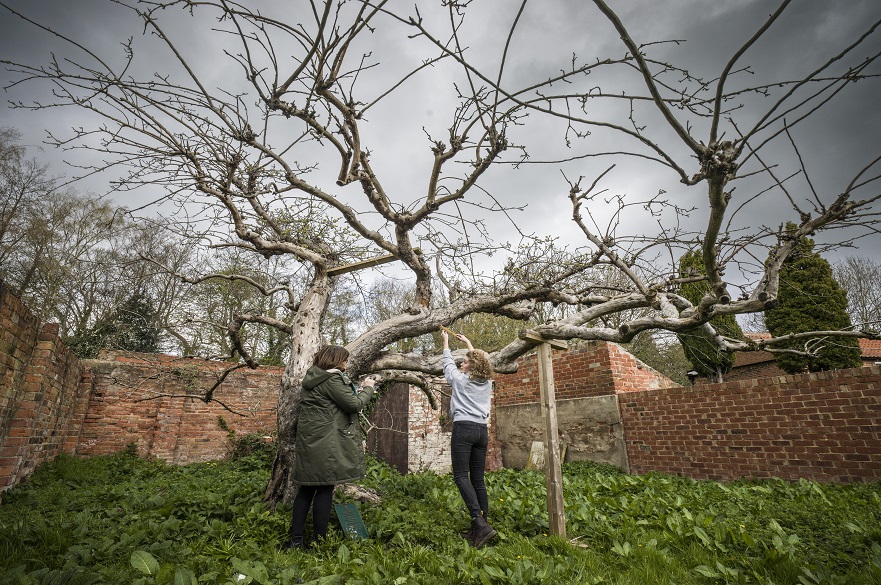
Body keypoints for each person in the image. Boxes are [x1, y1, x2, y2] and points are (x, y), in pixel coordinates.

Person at [288, 345, 375, 549]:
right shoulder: (332, 379)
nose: (346, 364)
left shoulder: (313, 378)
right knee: (325, 487)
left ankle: (296, 540)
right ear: (336, 360)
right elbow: (353, 405)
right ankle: (319, 541)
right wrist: (368, 388)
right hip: (325, 441)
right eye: (344, 360)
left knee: (307, 489)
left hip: (311, 440)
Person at [441, 329, 497, 548]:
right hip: (481, 431)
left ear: (470, 367)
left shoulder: (460, 380)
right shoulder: (487, 382)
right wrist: (469, 343)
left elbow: (447, 365)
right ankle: (483, 524)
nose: (461, 363)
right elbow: (479, 361)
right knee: (477, 479)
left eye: (464, 361)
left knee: (460, 476)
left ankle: (478, 521)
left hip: (464, 428)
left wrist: (445, 342)